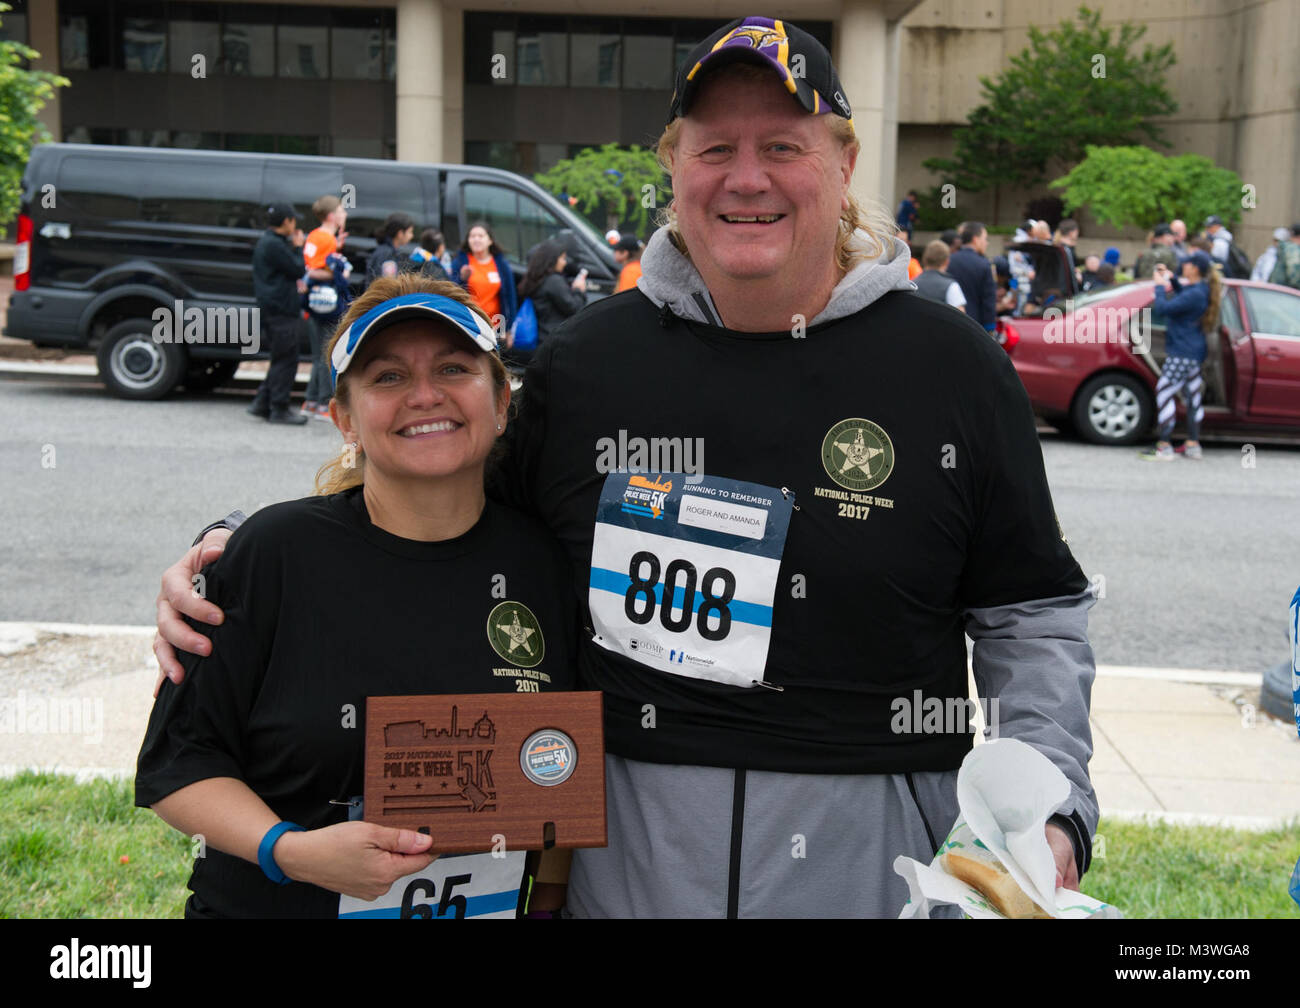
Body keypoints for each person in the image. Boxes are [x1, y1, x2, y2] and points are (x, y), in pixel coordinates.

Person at [153, 15, 1097, 918]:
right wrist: (236, 556)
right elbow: (440, 506)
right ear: (675, 168)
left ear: (844, 163)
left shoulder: (953, 366)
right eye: (714, 148)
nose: (746, 179)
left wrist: (1052, 810)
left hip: (870, 857)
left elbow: (1033, 616)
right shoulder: (589, 363)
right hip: (628, 862)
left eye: (782, 146)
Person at [137, 276, 578, 917]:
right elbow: (177, 763)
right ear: (344, 418)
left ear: (502, 399)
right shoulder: (273, 552)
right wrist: (290, 851)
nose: (425, 395)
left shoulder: (543, 563)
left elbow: (564, 760)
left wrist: (549, 900)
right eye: (388, 377)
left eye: (453, 368)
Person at [1139, 251, 1221, 462]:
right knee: (1193, 397)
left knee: (1164, 392)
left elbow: (1163, 308)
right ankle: (1193, 444)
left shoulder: (1195, 293)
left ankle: (1164, 445)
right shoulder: (1199, 289)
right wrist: (1172, 279)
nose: (1182, 266)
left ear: (1194, 268)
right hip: (1193, 351)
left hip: (1182, 352)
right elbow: (1183, 294)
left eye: (1186, 264)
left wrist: (1158, 286)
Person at [247, 202, 309, 426]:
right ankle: (279, 408)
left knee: (280, 357)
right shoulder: (274, 245)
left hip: (273, 309)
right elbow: (297, 269)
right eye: (293, 220)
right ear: (286, 222)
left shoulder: (270, 242)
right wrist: (298, 247)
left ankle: (262, 402)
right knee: (287, 359)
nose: (295, 225)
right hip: (281, 310)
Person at [301, 195, 349, 419]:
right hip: (328, 302)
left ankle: (310, 400)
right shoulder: (327, 240)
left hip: (313, 302)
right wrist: (339, 271)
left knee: (317, 352)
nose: (344, 214)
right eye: (341, 210)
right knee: (326, 352)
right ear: (332, 216)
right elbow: (317, 269)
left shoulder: (313, 235)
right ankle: (323, 403)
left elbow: (309, 264)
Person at [517, 239, 587, 353]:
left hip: (540, 339)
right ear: (552, 259)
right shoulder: (554, 281)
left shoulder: (535, 277)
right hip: (555, 341)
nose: (565, 262)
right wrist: (579, 290)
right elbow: (574, 309)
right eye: (562, 258)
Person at [451, 222, 517, 333]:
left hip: (495, 325)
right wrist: (461, 278)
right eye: (472, 236)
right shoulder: (460, 262)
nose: (476, 239)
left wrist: (508, 329)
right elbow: (450, 293)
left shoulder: (501, 264)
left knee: (496, 350)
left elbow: (510, 298)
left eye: (481, 236)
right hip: (468, 325)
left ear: (490, 241)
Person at [945, 221, 997, 335]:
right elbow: (988, 301)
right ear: (975, 239)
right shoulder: (984, 264)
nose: (986, 243)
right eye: (985, 238)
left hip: (949, 322)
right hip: (975, 327)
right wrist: (990, 329)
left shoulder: (949, 261)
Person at [912, 239, 966, 312]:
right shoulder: (951, 286)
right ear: (947, 262)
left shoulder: (912, 284)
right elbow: (961, 317)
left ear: (924, 259)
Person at [366, 213, 415, 287]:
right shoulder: (387, 254)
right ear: (400, 233)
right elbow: (386, 285)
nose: (412, 236)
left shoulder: (388, 251)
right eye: (410, 232)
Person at [1269, 224, 1300, 290]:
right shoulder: (1293, 250)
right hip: (1285, 294)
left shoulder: (1285, 248)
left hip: (1277, 292)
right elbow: (1294, 274)